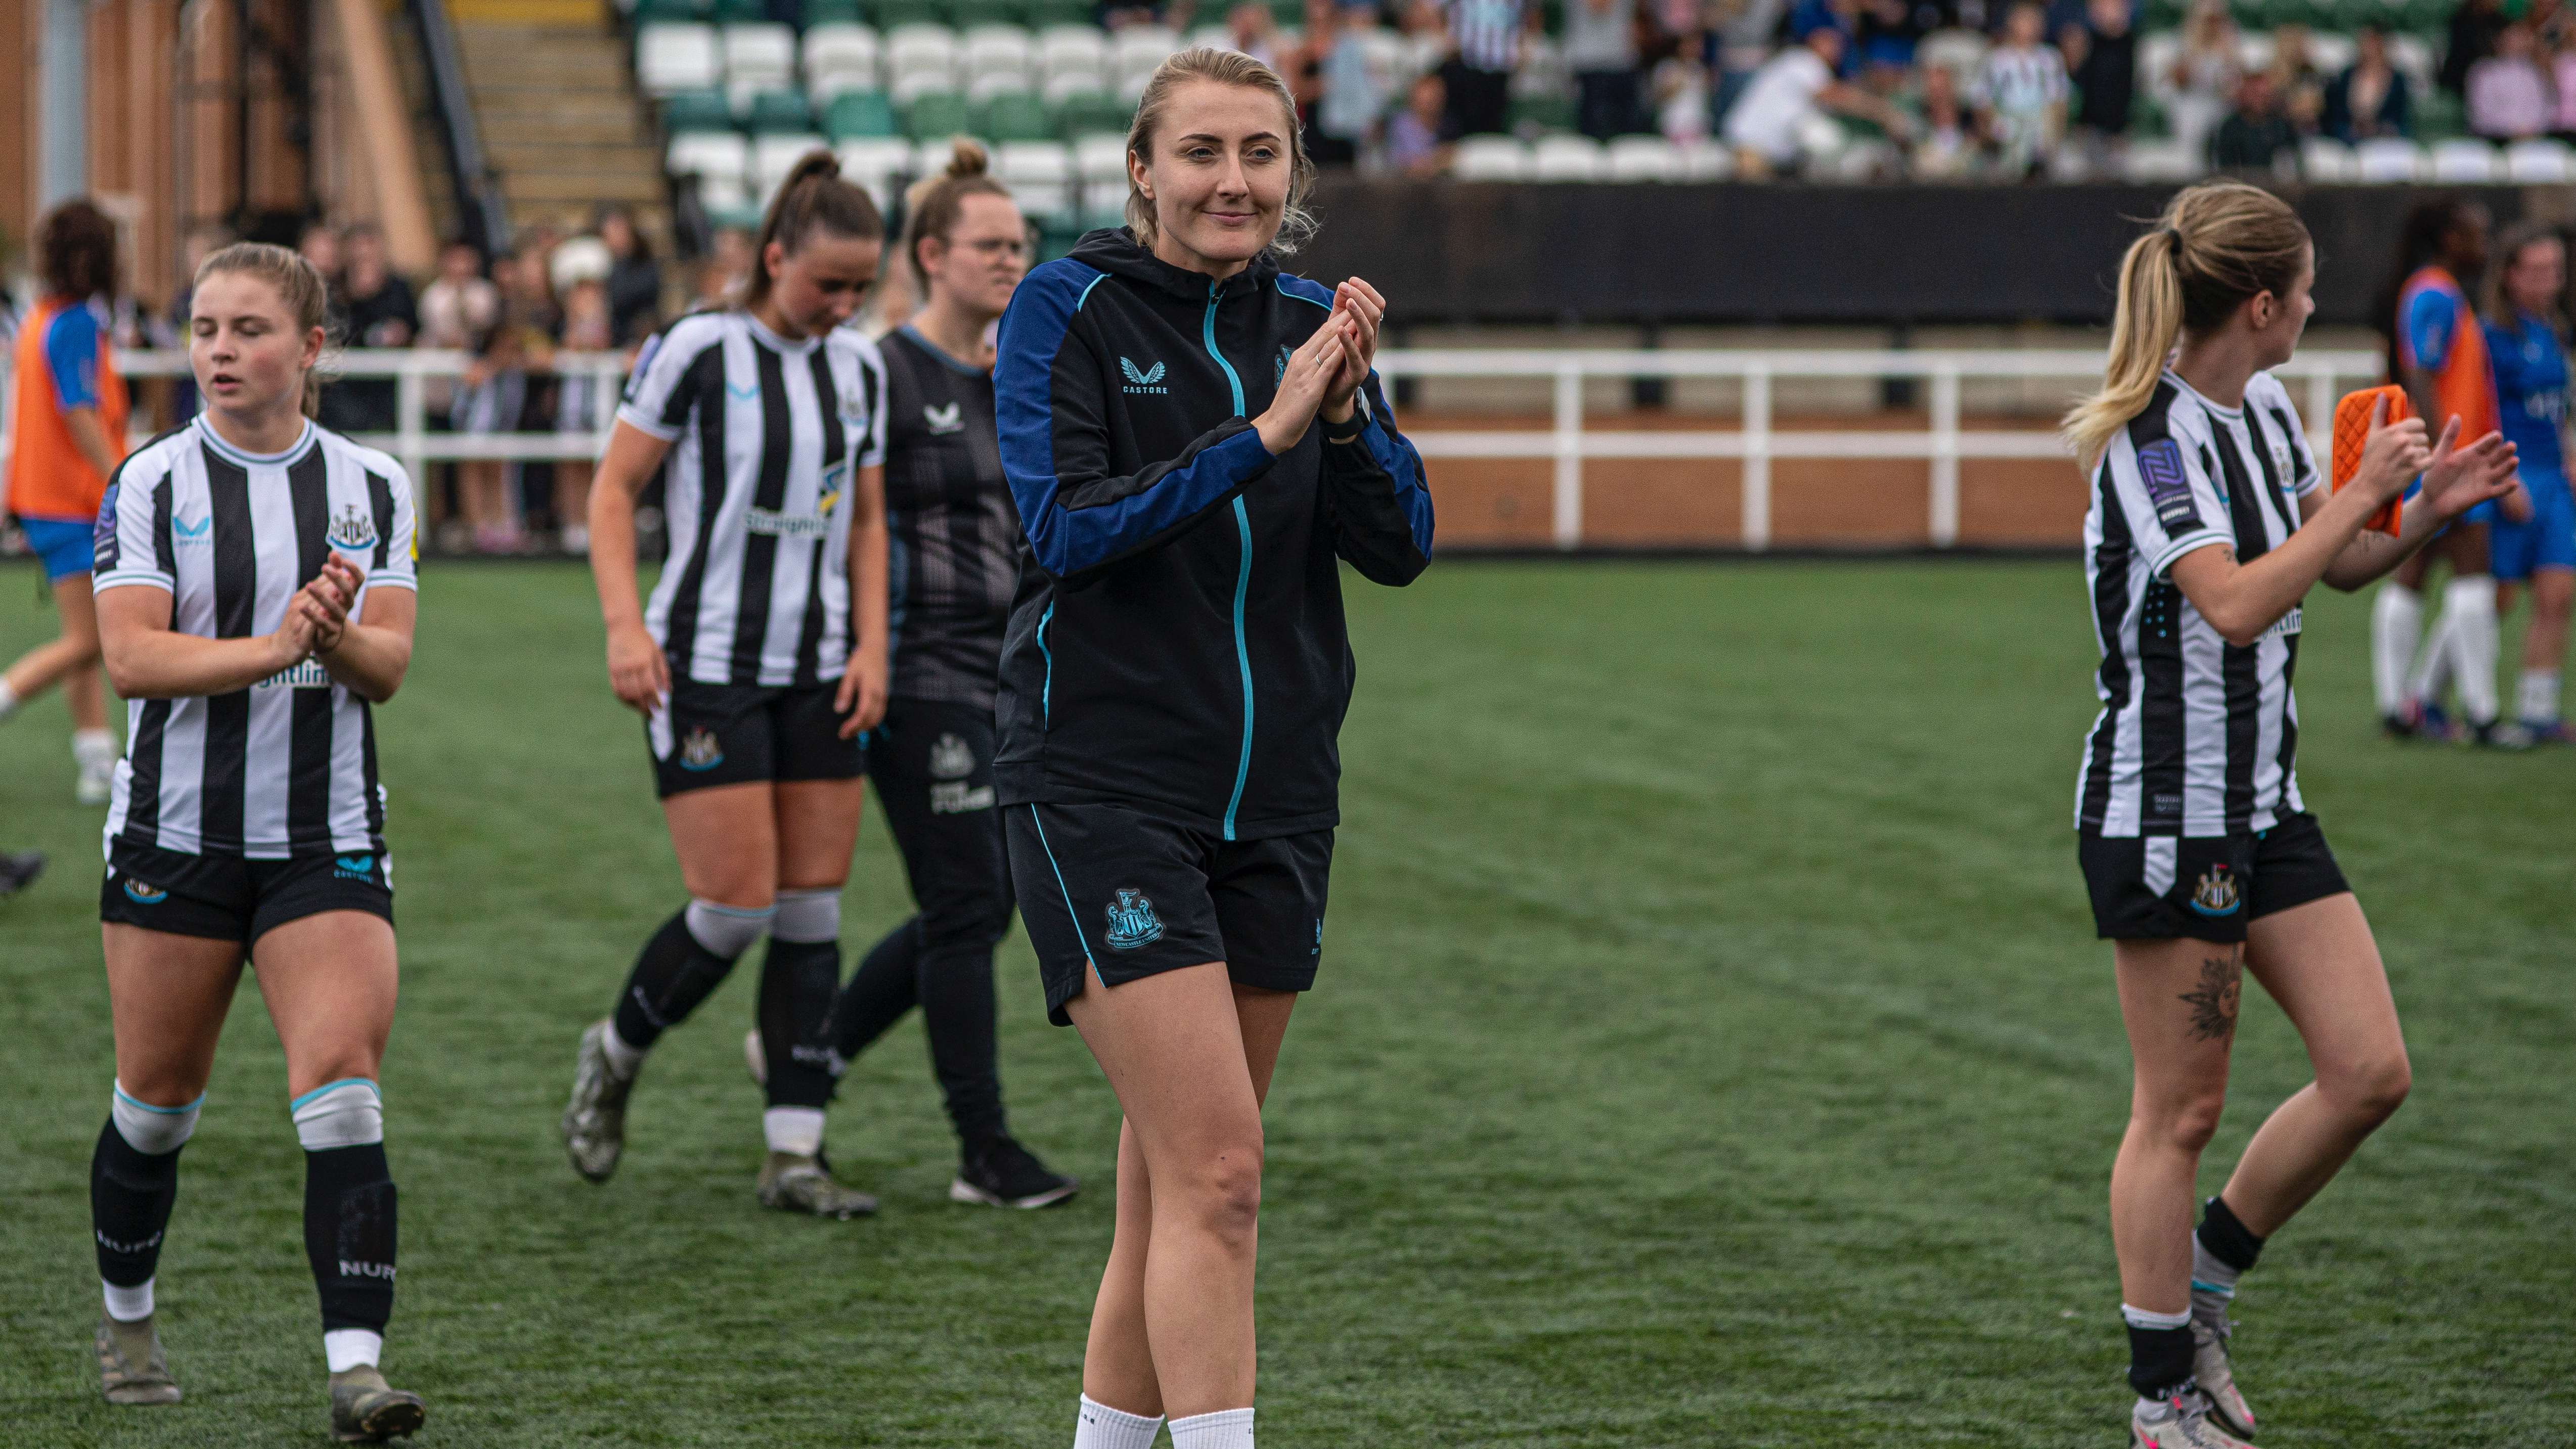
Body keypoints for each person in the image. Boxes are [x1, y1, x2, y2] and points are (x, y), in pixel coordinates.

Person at [992, 47, 1433, 1449]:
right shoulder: (1061, 308)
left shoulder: (1310, 321)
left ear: (1292, 174)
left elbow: (1402, 547)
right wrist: (1263, 432)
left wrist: (1346, 414)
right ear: (1140, 169)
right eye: (1199, 153)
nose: (1230, 180)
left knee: (1171, 1182)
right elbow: (1065, 528)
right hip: (1100, 787)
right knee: (1220, 1172)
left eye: (1258, 153)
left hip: (1280, 801)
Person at [2059, 181, 2517, 1449]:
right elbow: (2236, 603)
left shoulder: (2260, 410)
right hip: (2169, 812)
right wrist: (2352, 491)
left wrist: (2420, 510)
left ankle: (2199, 1289)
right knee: (2178, 1110)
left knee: (2369, 1070)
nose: (2316, 306)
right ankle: (2159, 1399)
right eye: (2305, 289)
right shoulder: (2147, 445)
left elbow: (2325, 566)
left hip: (2261, 801)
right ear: (2258, 305)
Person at [87, 240, 427, 1440]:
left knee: (342, 1094)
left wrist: (329, 637)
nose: (221, 351)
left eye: (248, 329)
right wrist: (279, 646)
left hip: (324, 835)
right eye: (205, 329)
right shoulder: (149, 480)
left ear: (312, 347)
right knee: (157, 1106)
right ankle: (127, 1315)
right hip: (176, 834)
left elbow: (385, 666)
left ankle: (357, 1370)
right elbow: (134, 657)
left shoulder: (373, 484)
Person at [559, 150, 893, 1219]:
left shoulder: (862, 368)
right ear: (773, 255)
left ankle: (794, 1152)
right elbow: (615, 492)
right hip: (703, 662)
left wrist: (872, 645)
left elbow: (871, 520)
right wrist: (623, 626)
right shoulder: (699, 349)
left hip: (820, 667)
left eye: (859, 289)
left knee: (812, 908)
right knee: (738, 903)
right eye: (825, 285)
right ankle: (615, 1051)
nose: (842, 307)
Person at [758, 141, 1079, 1209]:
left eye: (1022, 244)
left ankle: (810, 1050)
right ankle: (982, 1149)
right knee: (969, 899)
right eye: (991, 245)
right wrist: (863, 648)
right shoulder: (883, 372)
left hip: (1012, 671)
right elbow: (840, 521)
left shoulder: (1016, 374)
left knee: (976, 909)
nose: (1012, 261)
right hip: (915, 669)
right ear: (932, 254)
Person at [2372, 199, 2530, 745]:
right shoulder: (2436, 293)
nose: (2484, 245)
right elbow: (2420, 369)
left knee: (2414, 575)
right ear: (2447, 239)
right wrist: (2446, 454)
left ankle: (2399, 706)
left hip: (2442, 456)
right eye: (2475, 234)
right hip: (2450, 460)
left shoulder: (2436, 291)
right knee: (2472, 575)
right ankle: (2482, 714)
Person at [1, 199, 129, 804]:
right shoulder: (74, 321)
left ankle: (96, 757)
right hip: (73, 501)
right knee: (91, 640)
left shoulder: (39, 317)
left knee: (82, 633)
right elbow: (80, 412)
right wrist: (123, 479)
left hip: (42, 497)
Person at [2481, 222, 2576, 740]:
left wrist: (2569, 457)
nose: (2549, 281)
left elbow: (2557, 411)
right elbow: (2481, 409)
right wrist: (2503, 475)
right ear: (2511, 275)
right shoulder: (2491, 335)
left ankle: (2538, 710)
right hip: (2511, 477)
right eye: (2537, 270)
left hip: (2553, 479)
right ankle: (2427, 694)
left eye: (2555, 271)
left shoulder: (2553, 331)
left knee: (2558, 593)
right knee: (2495, 599)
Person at [1722, 23, 1913, 177]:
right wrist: (1885, 112)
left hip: (1775, 161)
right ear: (1814, 41)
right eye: (1829, 42)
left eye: (1838, 45)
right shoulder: (1802, 60)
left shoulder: (1813, 69)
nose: (1836, 50)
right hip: (1750, 151)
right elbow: (1835, 96)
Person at [1975, 0, 2070, 176]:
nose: (2031, 26)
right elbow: (1982, 101)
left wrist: (2054, 137)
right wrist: (1992, 129)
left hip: (2039, 125)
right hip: (2007, 123)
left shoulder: (2050, 58)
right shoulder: (1996, 59)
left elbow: (2059, 102)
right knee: (2006, 133)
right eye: (2026, 20)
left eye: (2036, 21)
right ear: (2012, 22)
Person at [1567, 0, 1644, 140]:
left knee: (1629, 129)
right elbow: (1599, 7)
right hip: (1590, 63)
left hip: (1621, 62)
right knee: (1592, 128)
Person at [2323, 26, 2411, 143]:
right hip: (2349, 137)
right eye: (2366, 43)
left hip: (2384, 140)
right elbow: (2336, 112)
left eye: (2374, 43)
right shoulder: (2347, 75)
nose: (2369, 48)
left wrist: (2381, 128)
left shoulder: (2398, 79)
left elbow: (2400, 116)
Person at [2467, 21, 2551, 140]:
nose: (2517, 42)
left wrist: (2531, 129)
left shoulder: (2534, 72)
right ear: (2498, 40)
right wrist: (2514, 130)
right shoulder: (2483, 71)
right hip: (2495, 138)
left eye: (2520, 37)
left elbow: (2544, 107)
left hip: (2531, 137)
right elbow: (2481, 113)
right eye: (2511, 37)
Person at [596, 205, 665, 347]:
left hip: (633, 339)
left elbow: (622, 296)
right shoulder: (603, 264)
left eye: (619, 229)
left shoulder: (645, 267)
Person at [2208, 70, 2296, 172]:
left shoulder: (2280, 127)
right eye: (2255, 94)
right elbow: (2224, 165)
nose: (2260, 100)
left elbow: (2289, 161)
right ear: (2244, 95)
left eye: (2265, 96)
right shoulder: (2230, 128)